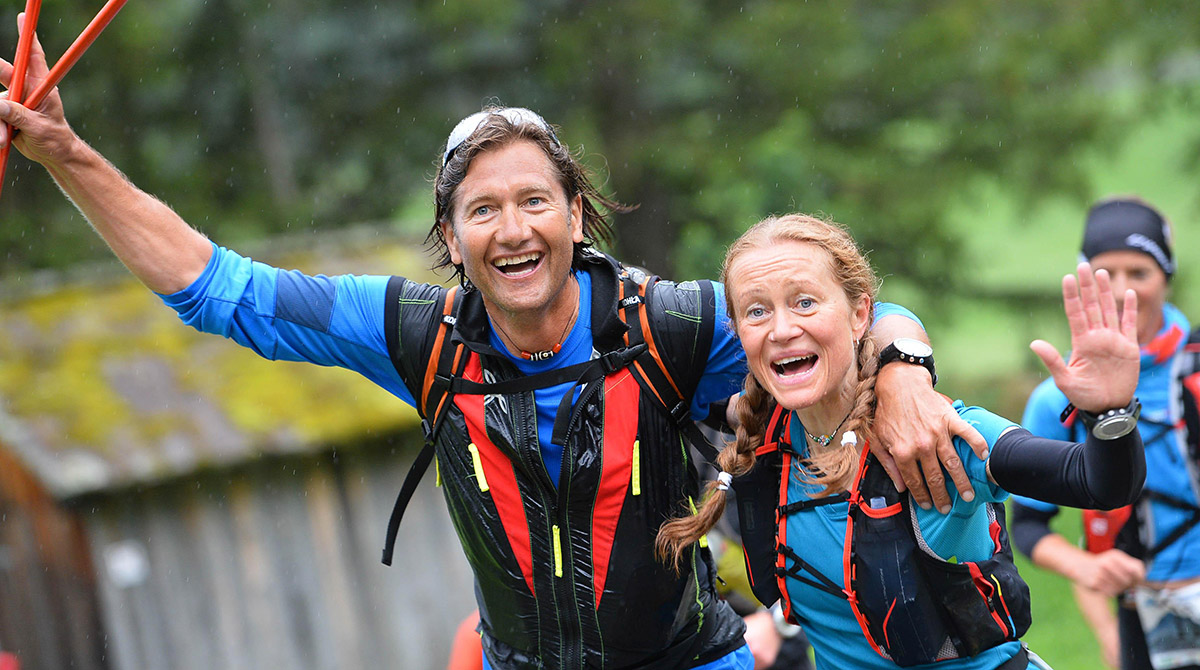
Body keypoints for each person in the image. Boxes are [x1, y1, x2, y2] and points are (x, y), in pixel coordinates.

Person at [0, 21, 993, 669]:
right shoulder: (415, 336)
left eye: (533, 200)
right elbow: (220, 290)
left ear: (575, 216)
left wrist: (904, 367)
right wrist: (70, 155)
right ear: (452, 239)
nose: (512, 228)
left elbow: (840, 317)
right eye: (483, 209)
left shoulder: (672, 327)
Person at [657, 213, 1147, 670]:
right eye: (757, 311)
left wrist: (1110, 412)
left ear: (859, 315)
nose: (782, 330)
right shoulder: (764, 434)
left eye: (805, 302)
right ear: (738, 332)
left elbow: (1099, 483)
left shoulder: (937, 433)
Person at [1009, 197, 1200, 670]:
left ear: (1167, 277)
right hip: (1140, 609)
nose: (1120, 291)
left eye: (1139, 273)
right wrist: (1088, 568)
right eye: (1104, 273)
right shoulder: (1060, 397)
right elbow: (1030, 525)